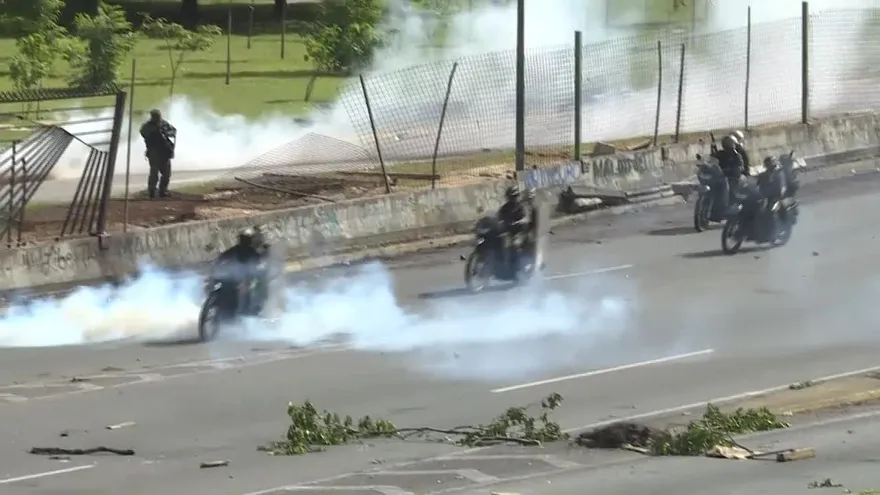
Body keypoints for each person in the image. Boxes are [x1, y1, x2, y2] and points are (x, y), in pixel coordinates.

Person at [214, 228, 270, 313]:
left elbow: (221, 257)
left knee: (250, 289)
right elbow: (221, 258)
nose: (244, 240)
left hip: (237, 279)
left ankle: (246, 310)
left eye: (245, 239)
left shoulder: (240, 250)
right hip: (234, 279)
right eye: (244, 238)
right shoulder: (246, 251)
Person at [139, 109, 177, 199]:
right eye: (156, 116)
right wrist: (155, 131)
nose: (158, 118)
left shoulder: (164, 124)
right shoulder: (147, 126)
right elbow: (144, 133)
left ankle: (162, 191)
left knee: (166, 173)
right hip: (154, 152)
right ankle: (152, 191)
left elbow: (174, 131)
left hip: (164, 151)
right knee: (154, 172)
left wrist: (165, 133)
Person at [497, 184, 528, 272]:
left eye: (514, 196)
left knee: (514, 245)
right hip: (507, 232)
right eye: (510, 197)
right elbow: (498, 218)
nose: (512, 199)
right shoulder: (504, 208)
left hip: (519, 233)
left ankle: (518, 268)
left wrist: (518, 222)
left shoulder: (520, 207)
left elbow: (525, 218)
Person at [714, 135, 746, 209]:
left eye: (729, 143)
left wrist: (737, 169)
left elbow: (741, 166)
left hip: (732, 177)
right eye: (727, 143)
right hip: (721, 176)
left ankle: (732, 203)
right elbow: (712, 161)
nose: (728, 145)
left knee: (731, 188)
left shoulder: (736, 155)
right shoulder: (719, 154)